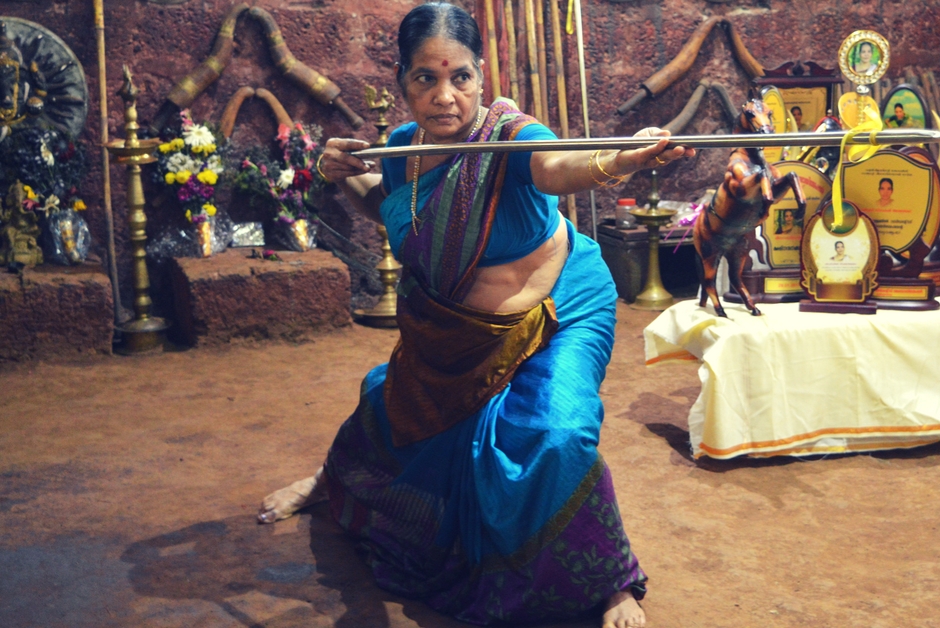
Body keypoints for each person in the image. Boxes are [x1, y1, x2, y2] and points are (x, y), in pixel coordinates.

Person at [256, 4, 693, 627]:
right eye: (425, 80)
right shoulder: (402, 152)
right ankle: (330, 482)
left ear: (481, 77)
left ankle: (607, 583)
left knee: (557, 433)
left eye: (460, 77)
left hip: (559, 309)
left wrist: (622, 160)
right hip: (457, 336)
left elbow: (555, 168)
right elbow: (390, 210)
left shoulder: (511, 136)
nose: (445, 97)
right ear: (402, 82)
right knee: (394, 410)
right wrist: (336, 172)